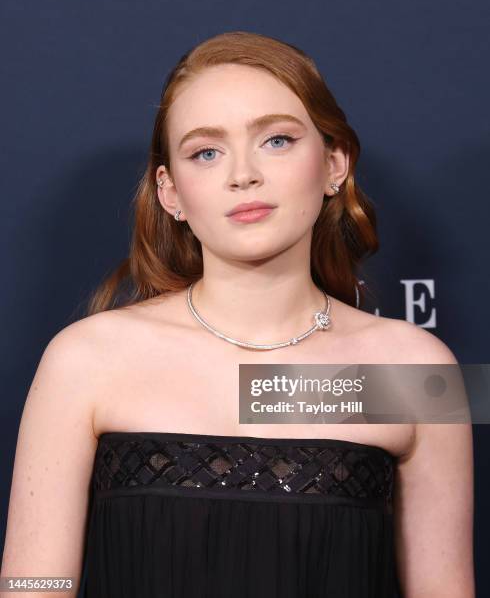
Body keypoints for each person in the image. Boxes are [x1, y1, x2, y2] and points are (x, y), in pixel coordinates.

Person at [1, 31, 474, 597]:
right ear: (171, 191)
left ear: (333, 164)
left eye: (276, 140)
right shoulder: (88, 360)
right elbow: (34, 586)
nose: (242, 173)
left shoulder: (412, 371)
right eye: (206, 151)